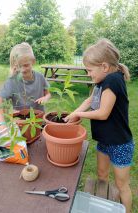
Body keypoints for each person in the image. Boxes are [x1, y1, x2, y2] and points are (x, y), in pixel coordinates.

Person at [64, 39, 134, 213]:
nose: (88, 74)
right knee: (102, 176)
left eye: (89, 70)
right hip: (105, 140)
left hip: (120, 144)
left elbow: (103, 113)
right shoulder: (101, 82)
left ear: (104, 66)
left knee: (122, 184)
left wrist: (79, 115)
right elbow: (90, 100)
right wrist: (73, 113)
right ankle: (107, 206)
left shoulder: (113, 81)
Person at [0, 42, 51, 130]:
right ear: (14, 65)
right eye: (18, 66)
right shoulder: (12, 81)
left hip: (39, 121)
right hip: (21, 124)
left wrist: (46, 98)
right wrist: (2, 123)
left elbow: (48, 93)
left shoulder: (40, 77)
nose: (22, 70)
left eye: (26, 65)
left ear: (33, 61)